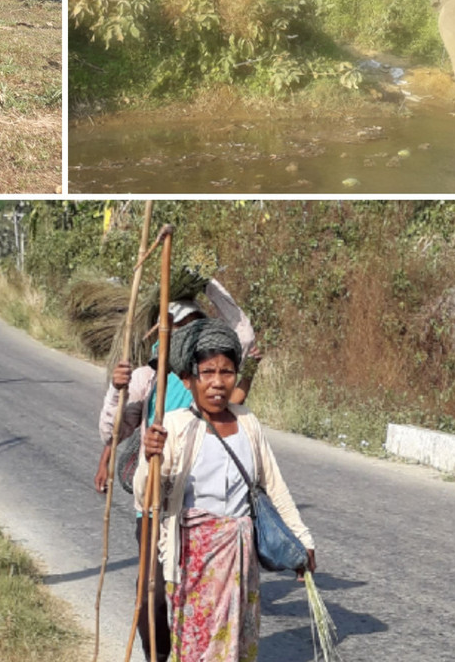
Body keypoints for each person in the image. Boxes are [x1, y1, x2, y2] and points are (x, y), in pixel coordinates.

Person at [93, 278, 259, 662]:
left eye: (194, 327)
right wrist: (116, 391)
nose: (187, 335)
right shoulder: (146, 377)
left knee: (200, 591)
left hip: (203, 506)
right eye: (179, 327)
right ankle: (157, 655)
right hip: (156, 500)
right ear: (163, 331)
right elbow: (112, 431)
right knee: (151, 591)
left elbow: (245, 337)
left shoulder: (208, 376)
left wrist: (208, 283)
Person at [135, 318, 316, 662]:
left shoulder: (248, 423)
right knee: (196, 649)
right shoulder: (174, 426)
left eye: (227, 372)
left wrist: (302, 539)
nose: (218, 382)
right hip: (192, 562)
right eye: (207, 372)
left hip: (240, 562)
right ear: (188, 379)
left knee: (236, 646)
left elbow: (274, 487)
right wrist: (150, 458)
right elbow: (148, 497)